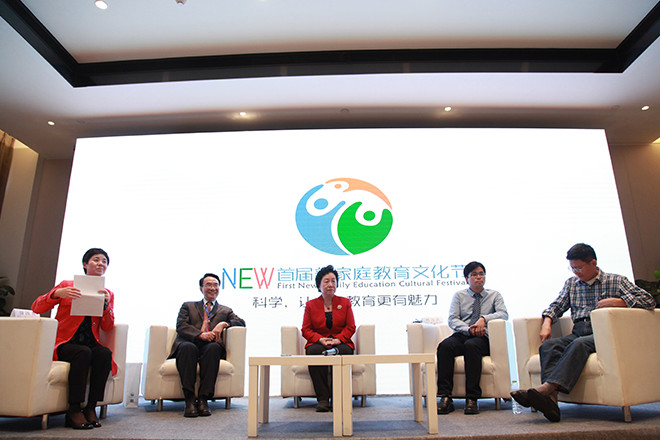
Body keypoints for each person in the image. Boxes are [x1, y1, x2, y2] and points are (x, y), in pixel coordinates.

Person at [510, 243, 655, 422]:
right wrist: (547, 322)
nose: (576, 272)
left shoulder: (616, 281)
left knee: (579, 344)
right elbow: (557, 306)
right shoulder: (572, 283)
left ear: (593, 263)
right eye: (572, 268)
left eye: (579, 268)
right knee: (550, 345)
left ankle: (546, 389)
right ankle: (550, 402)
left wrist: (620, 302)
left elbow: (648, 300)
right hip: (578, 330)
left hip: (603, 333)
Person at [31, 248, 115, 430]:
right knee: (82, 353)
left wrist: (107, 305)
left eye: (104, 261)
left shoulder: (107, 292)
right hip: (65, 343)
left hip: (90, 342)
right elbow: (36, 307)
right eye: (96, 260)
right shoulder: (67, 285)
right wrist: (56, 294)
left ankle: (91, 406)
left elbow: (107, 327)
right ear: (85, 264)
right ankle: (74, 409)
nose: (100, 264)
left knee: (104, 354)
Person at [168, 273, 246, 418]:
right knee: (187, 348)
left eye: (216, 285)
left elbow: (241, 323)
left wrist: (224, 323)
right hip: (189, 343)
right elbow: (181, 326)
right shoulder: (188, 306)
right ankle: (190, 400)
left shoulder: (225, 310)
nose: (213, 288)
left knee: (214, 348)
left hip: (209, 346)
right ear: (201, 288)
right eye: (208, 284)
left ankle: (204, 399)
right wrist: (199, 334)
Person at [436, 261, 508, 415]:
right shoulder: (459, 295)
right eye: (474, 275)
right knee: (445, 346)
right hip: (463, 334)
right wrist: (468, 329)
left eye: (481, 274)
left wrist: (484, 319)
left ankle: (472, 398)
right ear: (466, 279)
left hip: (483, 337)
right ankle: (445, 397)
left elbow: (503, 314)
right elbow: (453, 319)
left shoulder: (494, 295)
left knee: (472, 346)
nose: (479, 277)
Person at [302, 265, 356, 412]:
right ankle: (323, 399)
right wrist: (320, 339)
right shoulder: (311, 305)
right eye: (326, 281)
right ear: (319, 285)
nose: (330, 284)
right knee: (314, 352)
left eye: (333, 281)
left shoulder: (345, 303)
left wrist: (338, 339)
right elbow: (306, 329)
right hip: (319, 342)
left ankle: (338, 397)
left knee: (345, 351)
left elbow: (350, 327)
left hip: (340, 342)